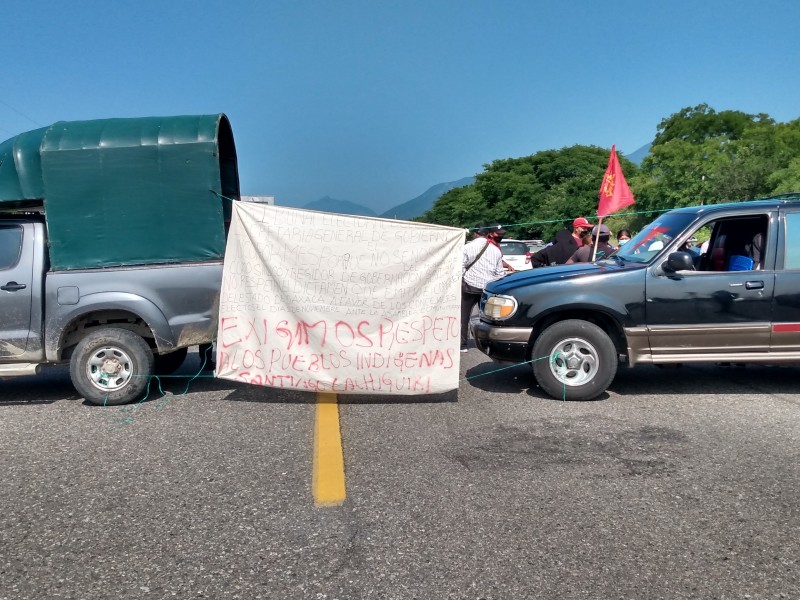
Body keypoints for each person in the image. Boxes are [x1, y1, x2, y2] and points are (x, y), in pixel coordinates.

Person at [461, 223, 506, 352]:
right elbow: (499, 273)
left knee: (464, 316)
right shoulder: (496, 250)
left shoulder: (467, 247)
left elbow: (460, 267)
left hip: (469, 286)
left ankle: (463, 345)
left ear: (475, 233)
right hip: (487, 289)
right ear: (487, 234)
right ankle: (488, 343)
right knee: (488, 317)